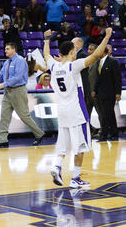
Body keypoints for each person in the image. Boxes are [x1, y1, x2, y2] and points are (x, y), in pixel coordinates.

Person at [47, 27, 113, 189]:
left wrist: (46, 39)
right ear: (71, 52)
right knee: (80, 146)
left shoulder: (54, 66)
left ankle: (56, 166)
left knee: (63, 143)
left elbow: (46, 55)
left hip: (61, 111)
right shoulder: (73, 66)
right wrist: (107, 36)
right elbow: (97, 55)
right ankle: (75, 178)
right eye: (74, 50)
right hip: (76, 111)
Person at [0, 42, 45, 148]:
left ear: (14, 49)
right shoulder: (7, 62)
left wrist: (3, 84)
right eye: (5, 49)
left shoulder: (21, 61)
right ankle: (3, 140)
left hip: (18, 90)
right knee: (4, 116)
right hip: (8, 92)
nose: (5, 51)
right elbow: (1, 74)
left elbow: (18, 77)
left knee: (24, 116)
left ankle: (39, 133)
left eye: (7, 49)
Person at [93, 46, 122, 141]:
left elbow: (117, 78)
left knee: (108, 113)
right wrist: (95, 90)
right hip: (100, 92)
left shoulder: (112, 61)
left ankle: (107, 134)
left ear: (103, 51)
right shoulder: (98, 62)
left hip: (110, 92)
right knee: (105, 113)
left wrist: (118, 92)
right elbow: (98, 78)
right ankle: (109, 133)